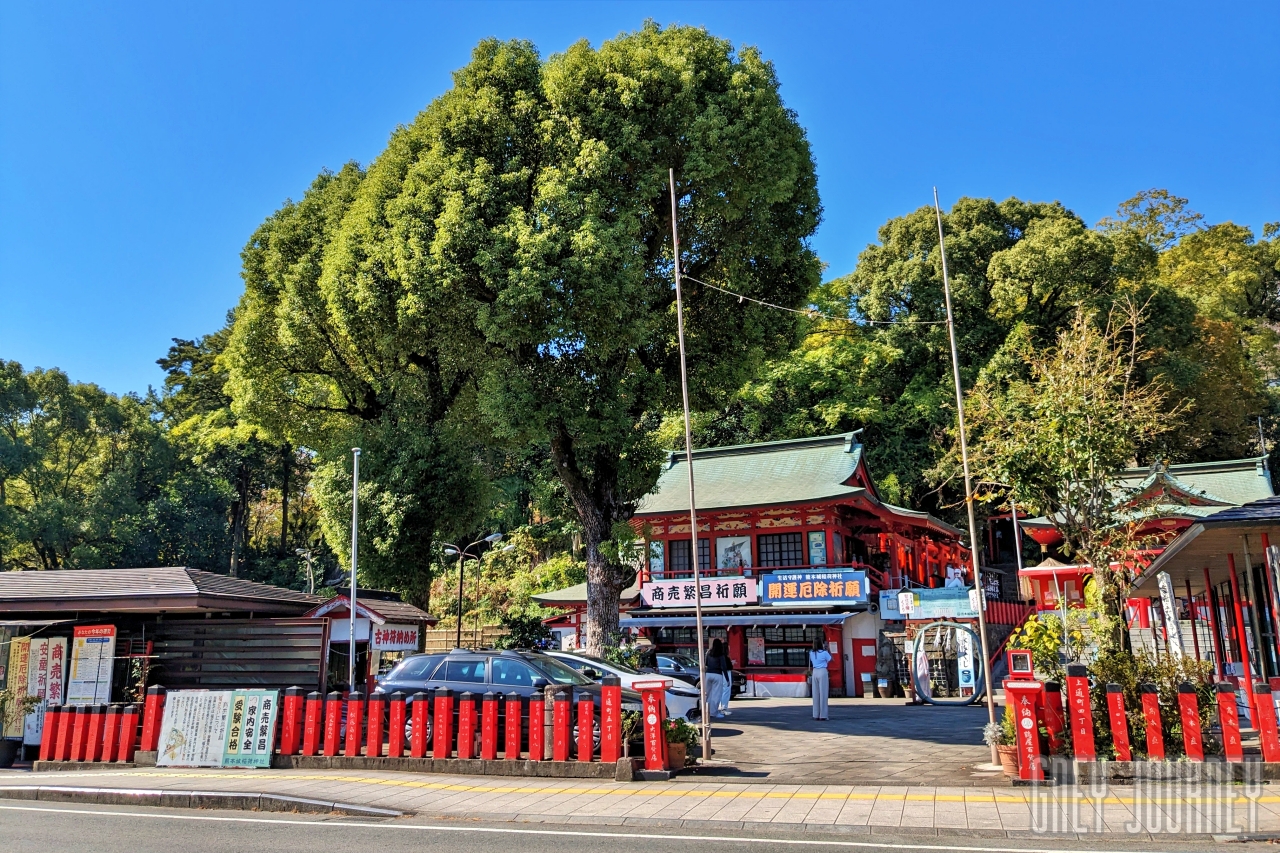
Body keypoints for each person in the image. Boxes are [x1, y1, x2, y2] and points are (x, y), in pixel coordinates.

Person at [705, 638, 732, 718]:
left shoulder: (708, 653)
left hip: (708, 674)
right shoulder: (721, 654)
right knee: (716, 695)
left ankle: (706, 711)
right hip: (717, 674)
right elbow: (724, 667)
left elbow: (706, 663)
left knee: (708, 694)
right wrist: (727, 679)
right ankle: (714, 712)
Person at [810, 638, 832, 721]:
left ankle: (815, 714)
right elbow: (831, 659)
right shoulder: (824, 653)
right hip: (822, 671)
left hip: (815, 671)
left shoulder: (811, 653)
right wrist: (828, 650)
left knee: (815, 693)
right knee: (823, 693)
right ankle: (823, 715)